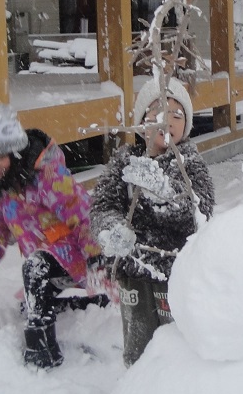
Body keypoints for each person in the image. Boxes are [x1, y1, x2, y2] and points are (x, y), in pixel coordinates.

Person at [0, 103, 104, 369]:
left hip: (76, 254)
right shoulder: (1, 188)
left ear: (15, 152)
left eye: (0, 157)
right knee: (31, 299)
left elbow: (84, 216)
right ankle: (86, 304)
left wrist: (96, 258)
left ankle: (42, 354)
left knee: (35, 270)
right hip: (47, 261)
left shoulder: (48, 177)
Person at [91, 78, 215, 366]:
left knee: (177, 342)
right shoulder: (125, 161)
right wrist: (112, 230)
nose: (167, 120)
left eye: (177, 114)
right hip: (134, 268)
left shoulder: (189, 163)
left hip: (175, 271)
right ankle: (138, 392)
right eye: (157, 112)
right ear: (140, 122)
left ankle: (176, 391)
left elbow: (201, 212)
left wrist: (163, 191)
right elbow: (103, 205)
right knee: (139, 347)